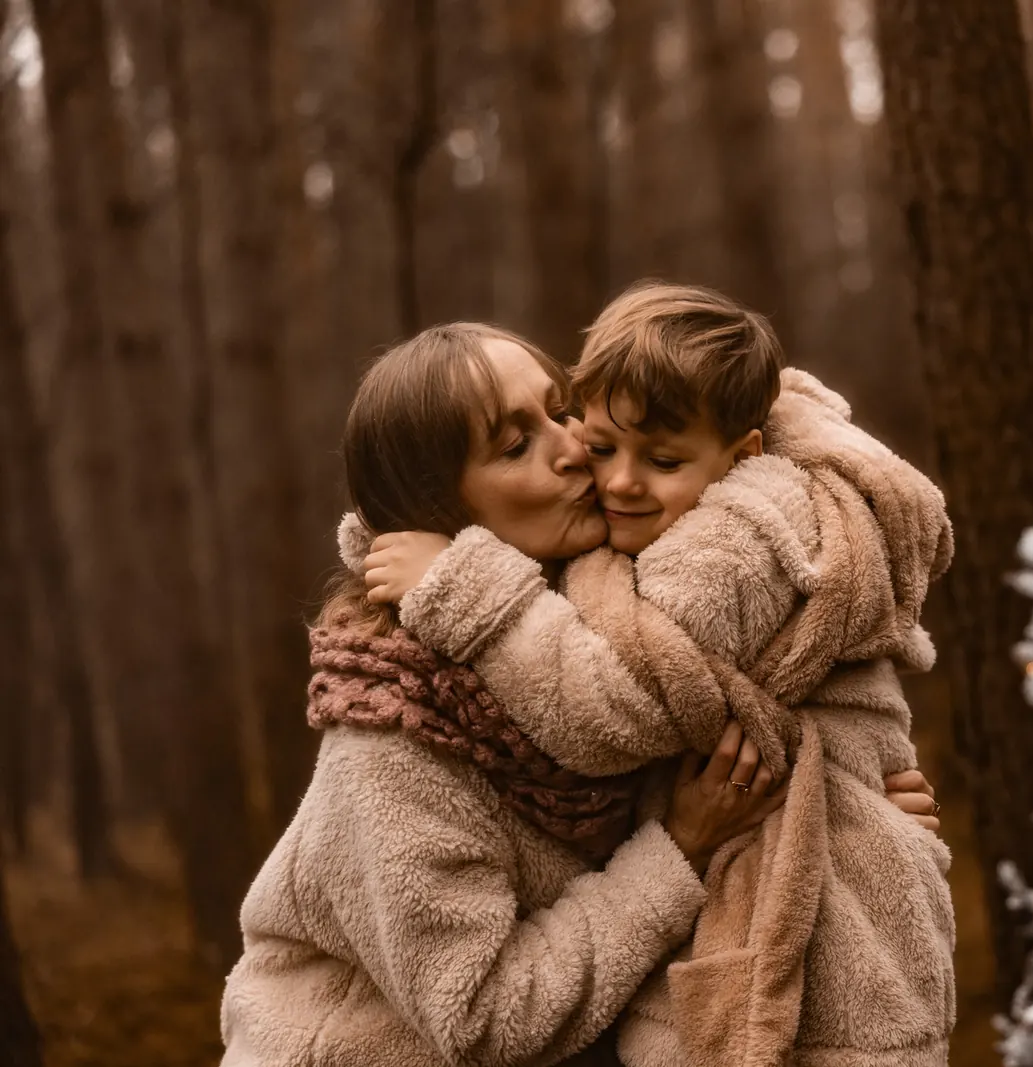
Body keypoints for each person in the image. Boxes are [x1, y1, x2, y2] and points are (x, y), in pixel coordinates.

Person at [218, 323, 938, 1067]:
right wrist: (681, 849)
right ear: (442, 515)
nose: (571, 446)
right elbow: (486, 1020)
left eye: (559, 409)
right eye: (514, 445)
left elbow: (737, 744)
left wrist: (842, 816)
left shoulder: (590, 625)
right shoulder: (397, 739)